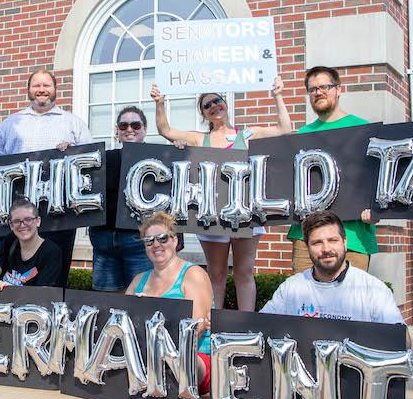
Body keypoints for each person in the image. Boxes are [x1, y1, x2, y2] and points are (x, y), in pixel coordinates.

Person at [149, 77, 294, 311]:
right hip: (212, 215)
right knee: (216, 275)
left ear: (225, 104)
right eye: (207, 105)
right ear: (204, 114)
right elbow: (166, 130)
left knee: (245, 273)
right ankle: (214, 326)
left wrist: (277, 95)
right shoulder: (200, 138)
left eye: (217, 100)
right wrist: (159, 102)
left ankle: (246, 327)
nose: (214, 105)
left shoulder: (245, 135)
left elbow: (284, 130)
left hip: (244, 211)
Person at [0, 69, 92, 286]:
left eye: (46, 85)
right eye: (36, 85)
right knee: (6, 273)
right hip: (16, 213)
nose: (41, 90)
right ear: (29, 90)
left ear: (55, 89)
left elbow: (90, 162)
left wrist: (73, 151)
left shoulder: (73, 123)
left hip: (59, 214)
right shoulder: (10, 124)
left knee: (55, 275)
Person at [287, 66, 379, 273]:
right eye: (312, 89)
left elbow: (378, 179)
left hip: (352, 236)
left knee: (351, 302)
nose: (318, 92)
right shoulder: (302, 134)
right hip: (306, 237)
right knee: (305, 301)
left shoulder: (362, 129)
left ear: (339, 89)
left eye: (324, 87)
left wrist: (376, 208)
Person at [261, 211, 405, 328]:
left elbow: (401, 341)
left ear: (344, 242)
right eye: (317, 243)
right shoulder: (290, 288)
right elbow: (261, 326)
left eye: (333, 240)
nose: (326, 249)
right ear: (307, 246)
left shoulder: (373, 289)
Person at [126, 211, 215, 395]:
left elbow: (195, 329)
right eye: (149, 240)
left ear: (175, 241)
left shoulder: (193, 275)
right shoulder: (138, 280)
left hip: (193, 359)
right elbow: (122, 320)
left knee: (182, 363)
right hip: (147, 358)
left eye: (162, 238)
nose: (156, 244)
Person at [88, 106, 153, 292]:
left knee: (141, 298)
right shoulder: (102, 158)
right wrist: (65, 151)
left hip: (138, 240)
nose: (129, 129)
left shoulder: (158, 158)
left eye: (135, 124)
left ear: (144, 129)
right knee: (106, 300)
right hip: (103, 239)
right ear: (117, 131)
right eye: (123, 126)